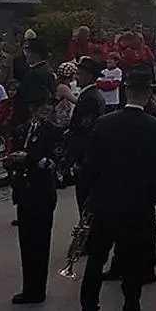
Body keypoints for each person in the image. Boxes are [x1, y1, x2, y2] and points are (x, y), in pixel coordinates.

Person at [79, 66, 156, 311]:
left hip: (105, 202)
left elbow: (89, 166)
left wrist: (92, 197)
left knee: (96, 259)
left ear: (125, 91)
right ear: (149, 95)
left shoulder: (105, 123)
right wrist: (151, 198)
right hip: (137, 206)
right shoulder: (155, 127)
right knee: (132, 264)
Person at [4, 84, 62, 304]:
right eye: (39, 106)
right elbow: (13, 155)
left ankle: (37, 289)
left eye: (47, 105)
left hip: (43, 192)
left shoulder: (54, 132)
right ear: (31, 108)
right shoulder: (22, 129)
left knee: (40, 242)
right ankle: (28, 286)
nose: (44, 109)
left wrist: (28, 159)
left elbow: (53, 163)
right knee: (26, 242)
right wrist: (10, 163)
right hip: (24, 192)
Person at [67, 57, 107, 213]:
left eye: (80, 74)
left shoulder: (89, 99)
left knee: (85, 202)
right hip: (89, 156)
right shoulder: (92, 95)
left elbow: (84, 132)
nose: (76, 77)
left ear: (90, 76)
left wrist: (76, 158)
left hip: (86, 158)